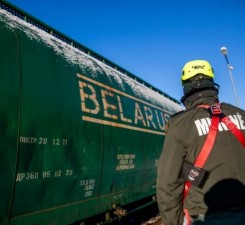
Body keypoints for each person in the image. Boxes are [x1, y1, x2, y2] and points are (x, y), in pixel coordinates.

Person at [156, 59, 245, 225]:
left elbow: (168, 184)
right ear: (212, 83)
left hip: (206, 217)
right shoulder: (241, 114)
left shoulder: (179, 125)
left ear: (186, 87)